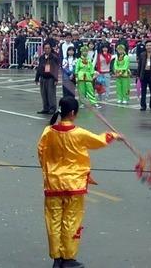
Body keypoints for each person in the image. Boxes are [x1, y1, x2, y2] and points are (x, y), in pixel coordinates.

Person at [38, 96, 120, 268]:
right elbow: (99, 141)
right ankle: (68, 258)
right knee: (71, 221)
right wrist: (113, 135)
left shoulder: (48, 132)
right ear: (73, 113)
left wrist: (49, 172)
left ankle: (57, 258)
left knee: (53, 222)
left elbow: (41, 154)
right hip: (74, 186)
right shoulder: (78, 133)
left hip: (53, 185)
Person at [35, 43, 60, 115]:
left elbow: (56, 69)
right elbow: (39, 68)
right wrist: (37, 78)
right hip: (43, 77)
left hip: (51, 78)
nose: (47, 50)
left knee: (51, 94)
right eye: (45, 48)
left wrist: (56, 79)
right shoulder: (42, 57)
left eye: (48, 48)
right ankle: (45, 108)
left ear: (50, 49)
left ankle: (52, 108)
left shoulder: (54, 57)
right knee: (44, 93)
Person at [137, 40, 151, 111]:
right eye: (147, 45)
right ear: (145, 47)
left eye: (150, 45)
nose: (148, 47)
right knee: (143, 91)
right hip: (144, 74)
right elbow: (139, 66)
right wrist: (138, 75)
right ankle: (143, 106)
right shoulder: (142, 54)